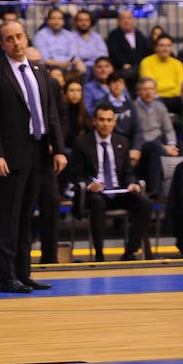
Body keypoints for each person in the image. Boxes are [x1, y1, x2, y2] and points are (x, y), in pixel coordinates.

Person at [0, 20, 66, 292]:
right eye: (9, 39)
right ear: (2, 43)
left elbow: (51, 114)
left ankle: (24, 273)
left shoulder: (39, 70)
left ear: (26, 38)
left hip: (39, 150)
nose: (16, 42)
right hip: (11, 155)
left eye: (19, 36)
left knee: (28, 215)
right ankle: (6, 277)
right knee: (8, 217)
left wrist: (59, 148)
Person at [68, 103, 153, 261]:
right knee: (97, 203)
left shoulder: (123, 142)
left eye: (109, 120)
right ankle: (99, 255)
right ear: (94, 121)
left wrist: (132, 183)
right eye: (101, 120)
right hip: (94, 194)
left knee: (145, 204)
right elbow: (75, 174)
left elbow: (127, 172)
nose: (105, 124)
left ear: (114, 122)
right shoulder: (81, 143)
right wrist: (89, 184)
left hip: (118, 191)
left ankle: (130, 252)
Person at [133, 77, 179, 196]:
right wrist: (164, 148)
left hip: (159, 141)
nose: (148, 92)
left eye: (151, 89)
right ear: (138, 91)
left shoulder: (160, 106)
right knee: (155, 148)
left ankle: (178, 193)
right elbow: (136, 133)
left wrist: (171, 145)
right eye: (145, 89)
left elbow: (168, 129)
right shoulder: (133, 107)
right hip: (142, 144)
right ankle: (154, 190)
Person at [139, 33, 183, 116]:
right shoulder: (146, 62)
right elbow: (150, 86)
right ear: (156, 47)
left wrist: (164, 89)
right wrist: (171, 86)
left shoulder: (178, 64)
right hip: (156, 98)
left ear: (171, 48)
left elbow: (182, 86)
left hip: (175, 98)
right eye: (161, 45)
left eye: (168, 46)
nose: (165, 49)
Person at [107, 8, 148, 88]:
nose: (126, 21)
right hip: (122, 68)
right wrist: (123, 64)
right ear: (118, 21)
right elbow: (114, 53)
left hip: (139, 66)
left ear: (133, 20)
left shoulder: (139, 35)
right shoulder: (113, 35)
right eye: (123, 18)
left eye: (129, 18)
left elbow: (144, 51)